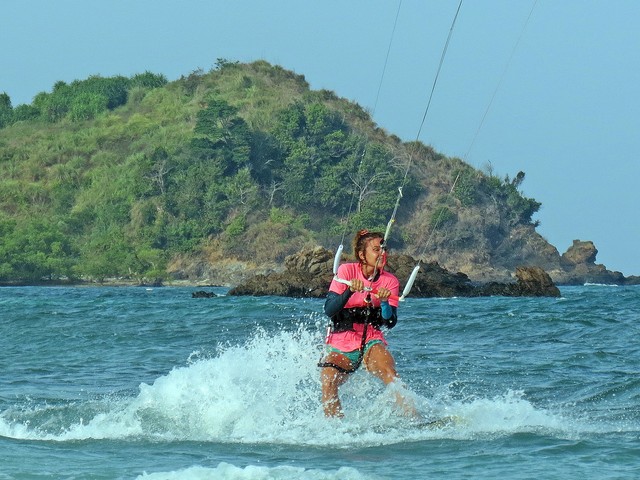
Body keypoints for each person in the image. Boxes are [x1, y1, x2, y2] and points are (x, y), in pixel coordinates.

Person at [319, 229, 417, 418]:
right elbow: (329, 309)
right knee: (328, 380)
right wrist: (348, 290)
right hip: (341, 343)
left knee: (390, 373)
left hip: (371, 340)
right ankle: (335, 429)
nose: (382, 253)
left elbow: (389, 322)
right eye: (376, 249)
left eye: (383, 249)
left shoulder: (390, 281)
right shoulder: (346, 271)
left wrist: (386, 302)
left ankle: (415, 419)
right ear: (362, 255)